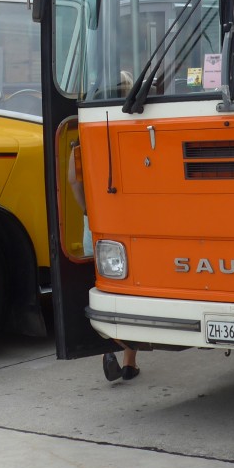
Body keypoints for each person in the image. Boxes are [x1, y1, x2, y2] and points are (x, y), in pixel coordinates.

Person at [67, 140, 141, 383]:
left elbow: (73, 179)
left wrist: (88, 210)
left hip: (98, 221)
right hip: (130, 217)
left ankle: (109, 349)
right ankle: (129, 363)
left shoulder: (83, 143)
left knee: (104, 288)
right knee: (130, 292)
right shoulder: (134, 137)